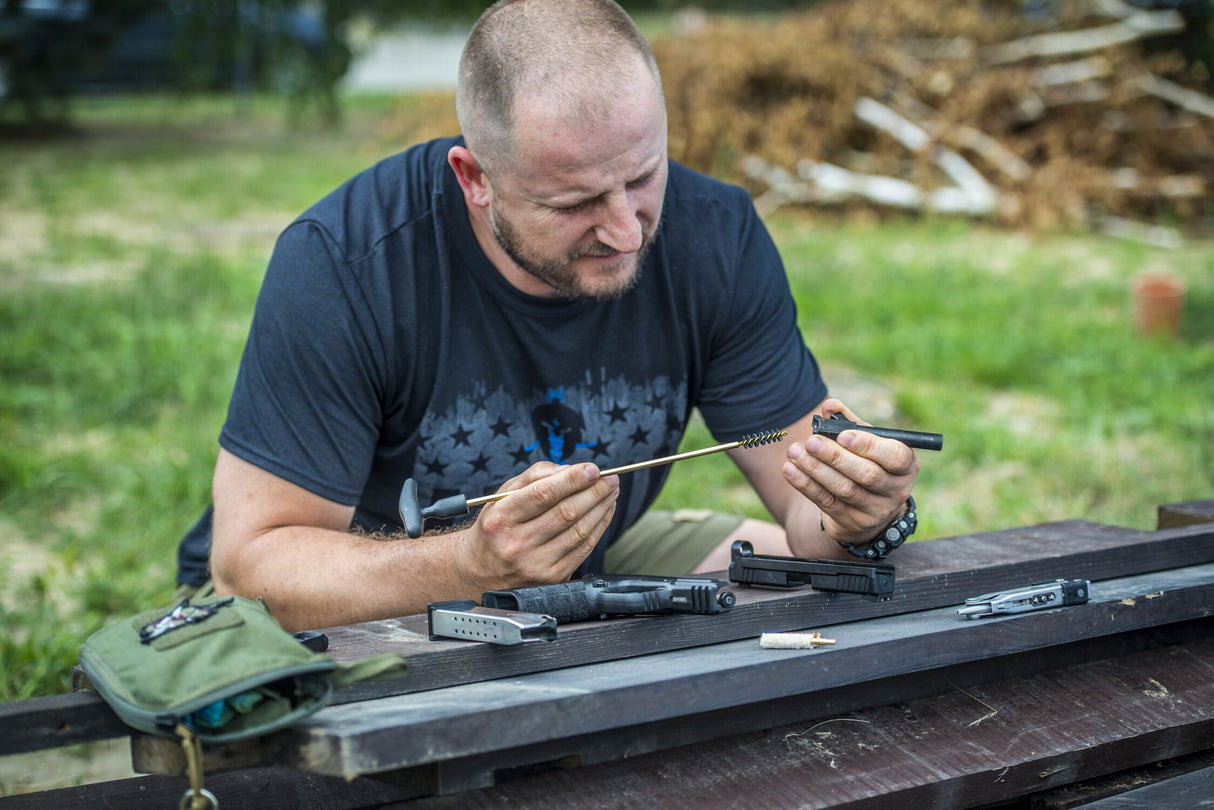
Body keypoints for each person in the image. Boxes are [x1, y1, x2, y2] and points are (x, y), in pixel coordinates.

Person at [175, 0, 920, 632]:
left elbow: (805, 513)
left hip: (584, 558)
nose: (626, 233)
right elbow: (253, 571)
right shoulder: (345, 263)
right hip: (359, 592)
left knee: (826, 589)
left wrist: (857, 515)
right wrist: (467, 565)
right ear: (475, 179)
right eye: (575, 203)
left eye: (643, 176)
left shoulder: (715, 236)